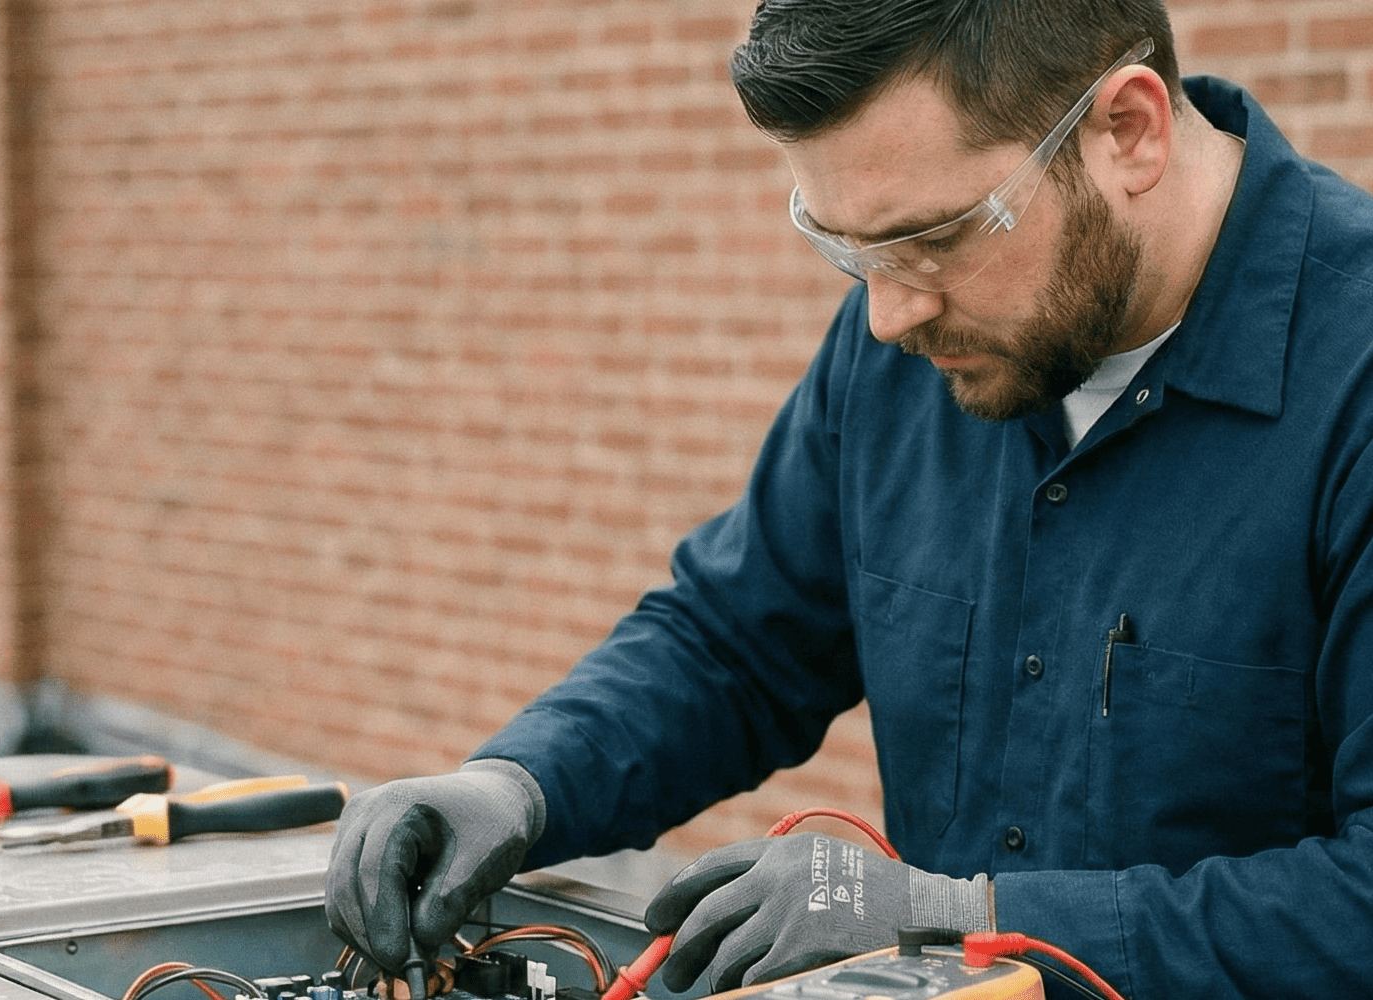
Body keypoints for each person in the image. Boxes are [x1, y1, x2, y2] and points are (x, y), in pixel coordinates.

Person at [325, 1, 1373, 996]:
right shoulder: (921, 339)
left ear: (1128, 133)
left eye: (934, 238)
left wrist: (964, 919)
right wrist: (520, 784)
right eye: (849, 249)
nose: (887, 316)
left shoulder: (1353, 383)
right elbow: (736, 643)